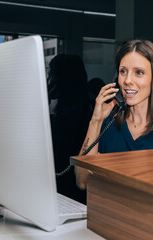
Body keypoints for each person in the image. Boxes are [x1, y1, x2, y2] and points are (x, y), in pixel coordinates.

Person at [75, 40, 153, 190]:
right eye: (123, 71)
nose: (128, 81)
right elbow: (83, 181)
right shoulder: (107, 124)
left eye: (139, 72)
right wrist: (95, 121)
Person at [47, 54, 92, 204]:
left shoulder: (73, 116)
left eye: (50, 74)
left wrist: (44, 99)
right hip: (62, 190)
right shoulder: (79, 109)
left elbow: (50, 151)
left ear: (61, 80)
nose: (48, 80)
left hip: (68, 193)